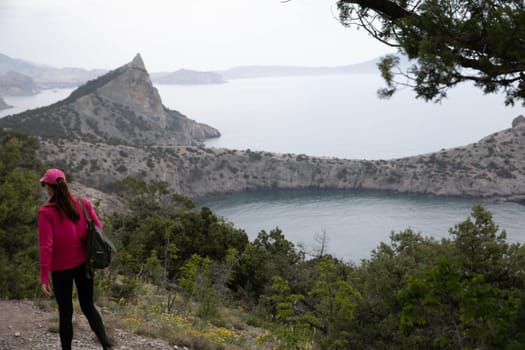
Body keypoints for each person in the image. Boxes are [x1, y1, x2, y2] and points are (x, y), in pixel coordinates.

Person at [38, 168, 113, 350]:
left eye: (44, 185)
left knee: (66, 313)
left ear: (49, 188)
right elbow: (98, 227)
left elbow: (46, 246)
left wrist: (44, 277)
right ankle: (107, 346)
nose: (44, 188)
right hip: (84, 265)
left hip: (61, 269)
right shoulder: (83, 203)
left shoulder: (46, 212)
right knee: (88, 307)